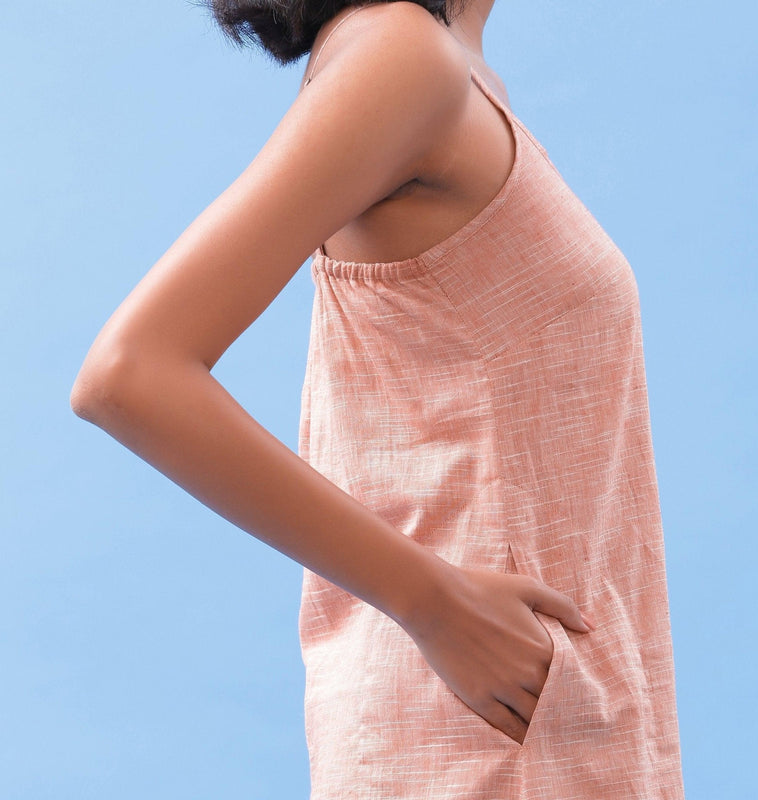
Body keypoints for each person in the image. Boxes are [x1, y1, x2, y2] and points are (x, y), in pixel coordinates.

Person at [70, 1, 685, 797]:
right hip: (486, 736)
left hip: (552, 720)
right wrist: (432, 603)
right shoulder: (403, 56)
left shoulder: (441, 66)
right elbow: (130, 374)